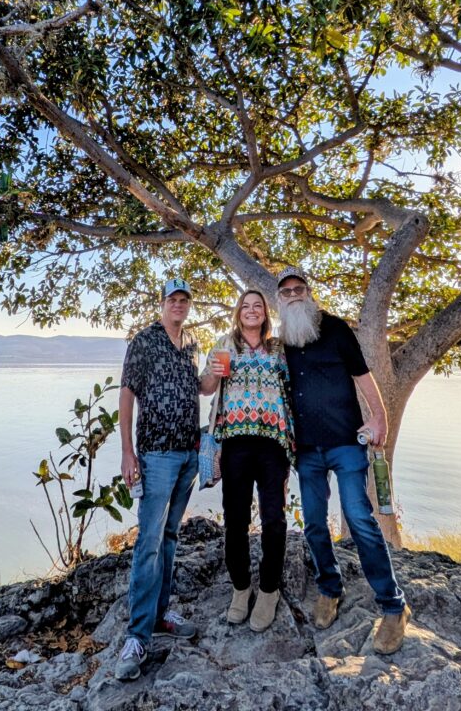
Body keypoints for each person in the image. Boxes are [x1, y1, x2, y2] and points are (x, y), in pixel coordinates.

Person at [276, 267, 411, 655]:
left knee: (360, 520)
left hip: (346, 444)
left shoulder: (335, 329)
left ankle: (393, 605)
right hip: (306, 451)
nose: (293, 295)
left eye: (299, 288)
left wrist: (379, 418)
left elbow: (364, 378)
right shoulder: (281, 342)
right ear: (279, 300)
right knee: (315, 524)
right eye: (285, 292)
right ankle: (329, 589)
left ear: (309, 292)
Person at [114, 277, 201, 682]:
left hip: (188, 454)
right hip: (156, 454)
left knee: (169, 537)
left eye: (184, 300)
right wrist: (127, 450)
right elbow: (127, 393)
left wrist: (217, 377)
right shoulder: (145, 341)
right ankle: (137, 636)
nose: (179, 305)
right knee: (148, 542)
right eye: (173, 300)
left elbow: (198, 388)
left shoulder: (192, 344)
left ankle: (162, 613)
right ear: (162, 303)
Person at [200, 289, 295, 632]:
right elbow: (207, 388)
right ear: (238, 313)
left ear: (265, 314)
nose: (251, 311)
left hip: (273, 443)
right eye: (246, 306)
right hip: (235, 443)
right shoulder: (225, 344)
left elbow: (293, 387)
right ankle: (241, 590)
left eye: (258, 306)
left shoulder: (279, 348)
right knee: (235, 521)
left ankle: (269, 590)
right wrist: (213, 372)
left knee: (273, 519)